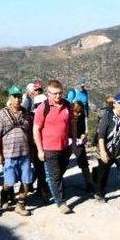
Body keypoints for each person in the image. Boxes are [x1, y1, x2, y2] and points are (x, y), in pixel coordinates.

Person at [33, 79, 76, 214]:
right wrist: (40, 150)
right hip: (49, 148)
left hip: (64, 147)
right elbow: (36, 130)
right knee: (55, 176)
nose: (57, 96)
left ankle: (44, 187)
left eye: (60, 93)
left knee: (60, 171)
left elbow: (72, 124)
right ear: (48, 93)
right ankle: (60, 202)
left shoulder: (67, 105)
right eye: (54, 93)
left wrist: (74, 142)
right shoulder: (43, 108)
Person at [0, 86, 33, 217]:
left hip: (25, 153)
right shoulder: (3, 114)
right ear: (10, 98)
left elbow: (29, 131)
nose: (17, 99)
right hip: (9, 155)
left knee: (26, 181)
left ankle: (20, 204)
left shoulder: (26, 113)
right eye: (14, 96)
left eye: (19, 96)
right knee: (9, 182)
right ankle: (4, 194)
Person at [72, 102, 94, 193]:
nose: (79, 114)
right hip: (67, 141)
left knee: (84, 163)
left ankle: (89, 183)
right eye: (77, 111)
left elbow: (83, 130)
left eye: (81, 112)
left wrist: (83, 135)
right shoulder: (66, 117)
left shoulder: (81, 117)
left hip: (78, 142)